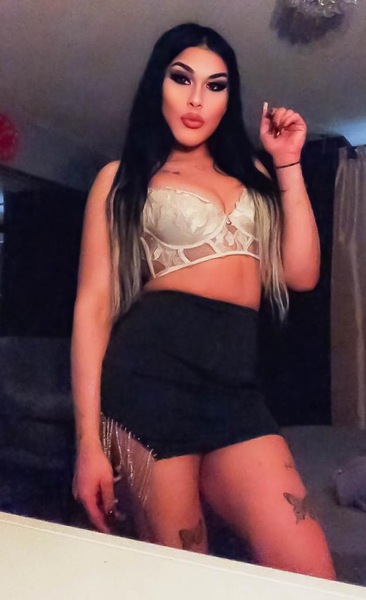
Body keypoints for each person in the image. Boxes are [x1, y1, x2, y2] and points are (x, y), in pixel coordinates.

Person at [71, 22, 336, 580]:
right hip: (148, 387)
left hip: (235, 392)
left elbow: (302, 274)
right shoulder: (121, 178)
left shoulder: (254, 174)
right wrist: (87, 444)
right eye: (181, 78)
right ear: (158, 84)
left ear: (228, 98)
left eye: (215, 86)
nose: (196, 99)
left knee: (312, 574)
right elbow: (93, 308)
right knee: (186, 578)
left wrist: (288, 161)